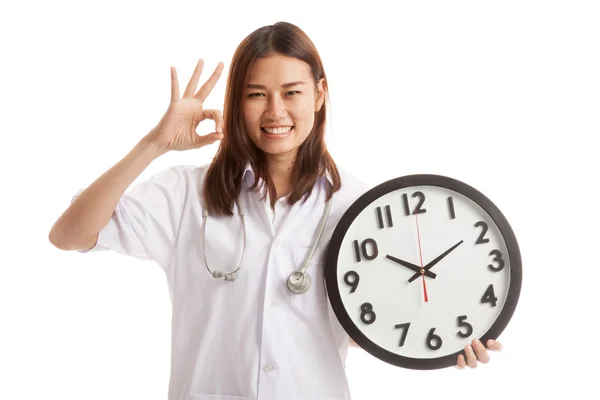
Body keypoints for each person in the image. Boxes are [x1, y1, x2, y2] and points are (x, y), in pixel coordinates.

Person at [49, 21, 502, 400]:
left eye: (291, 92)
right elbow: (68, 235)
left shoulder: (359, 208)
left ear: (319, 94)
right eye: (256, 95)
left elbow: (386, 313)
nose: (275, 111)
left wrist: (450, 337)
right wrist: (154, 144)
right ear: (236, 102)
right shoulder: (186, 194)